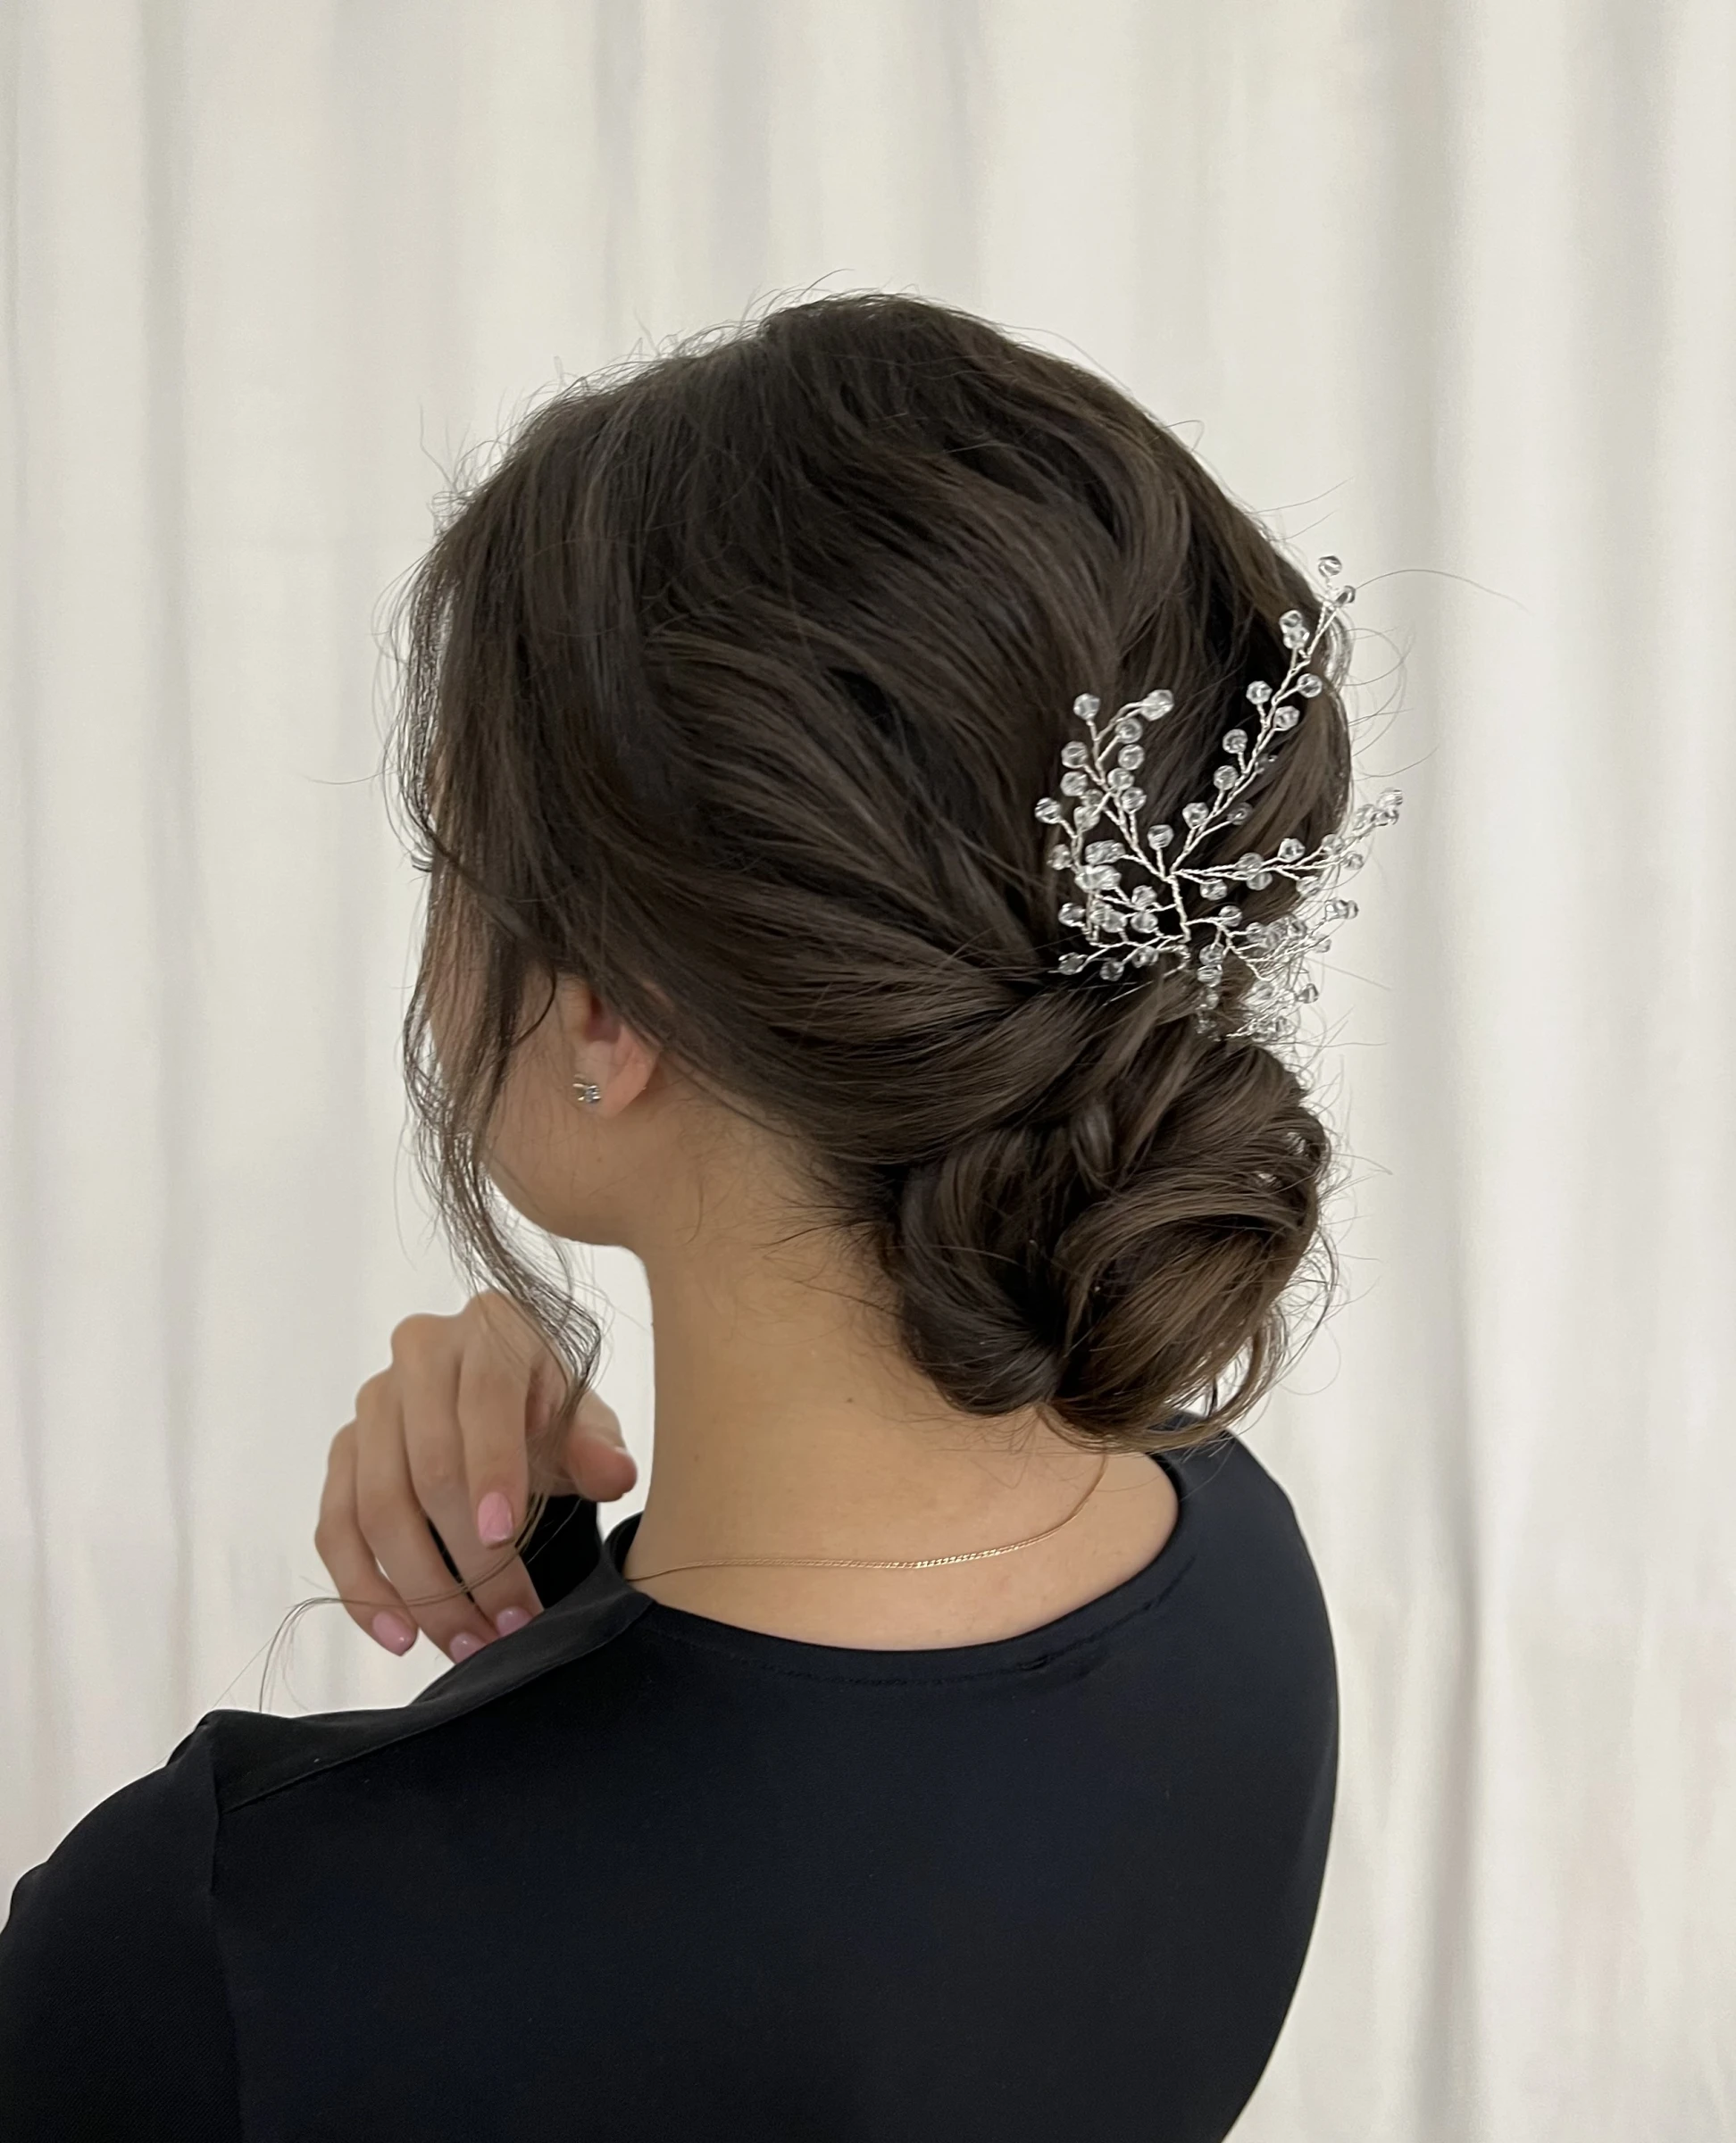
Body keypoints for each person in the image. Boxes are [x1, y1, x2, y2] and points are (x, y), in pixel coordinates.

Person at [0, 290, 1381, 2139]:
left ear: (606, 1012)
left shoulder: (223, 1953)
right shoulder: (1230, 1577)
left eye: (453, 853)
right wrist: (566, 1590)